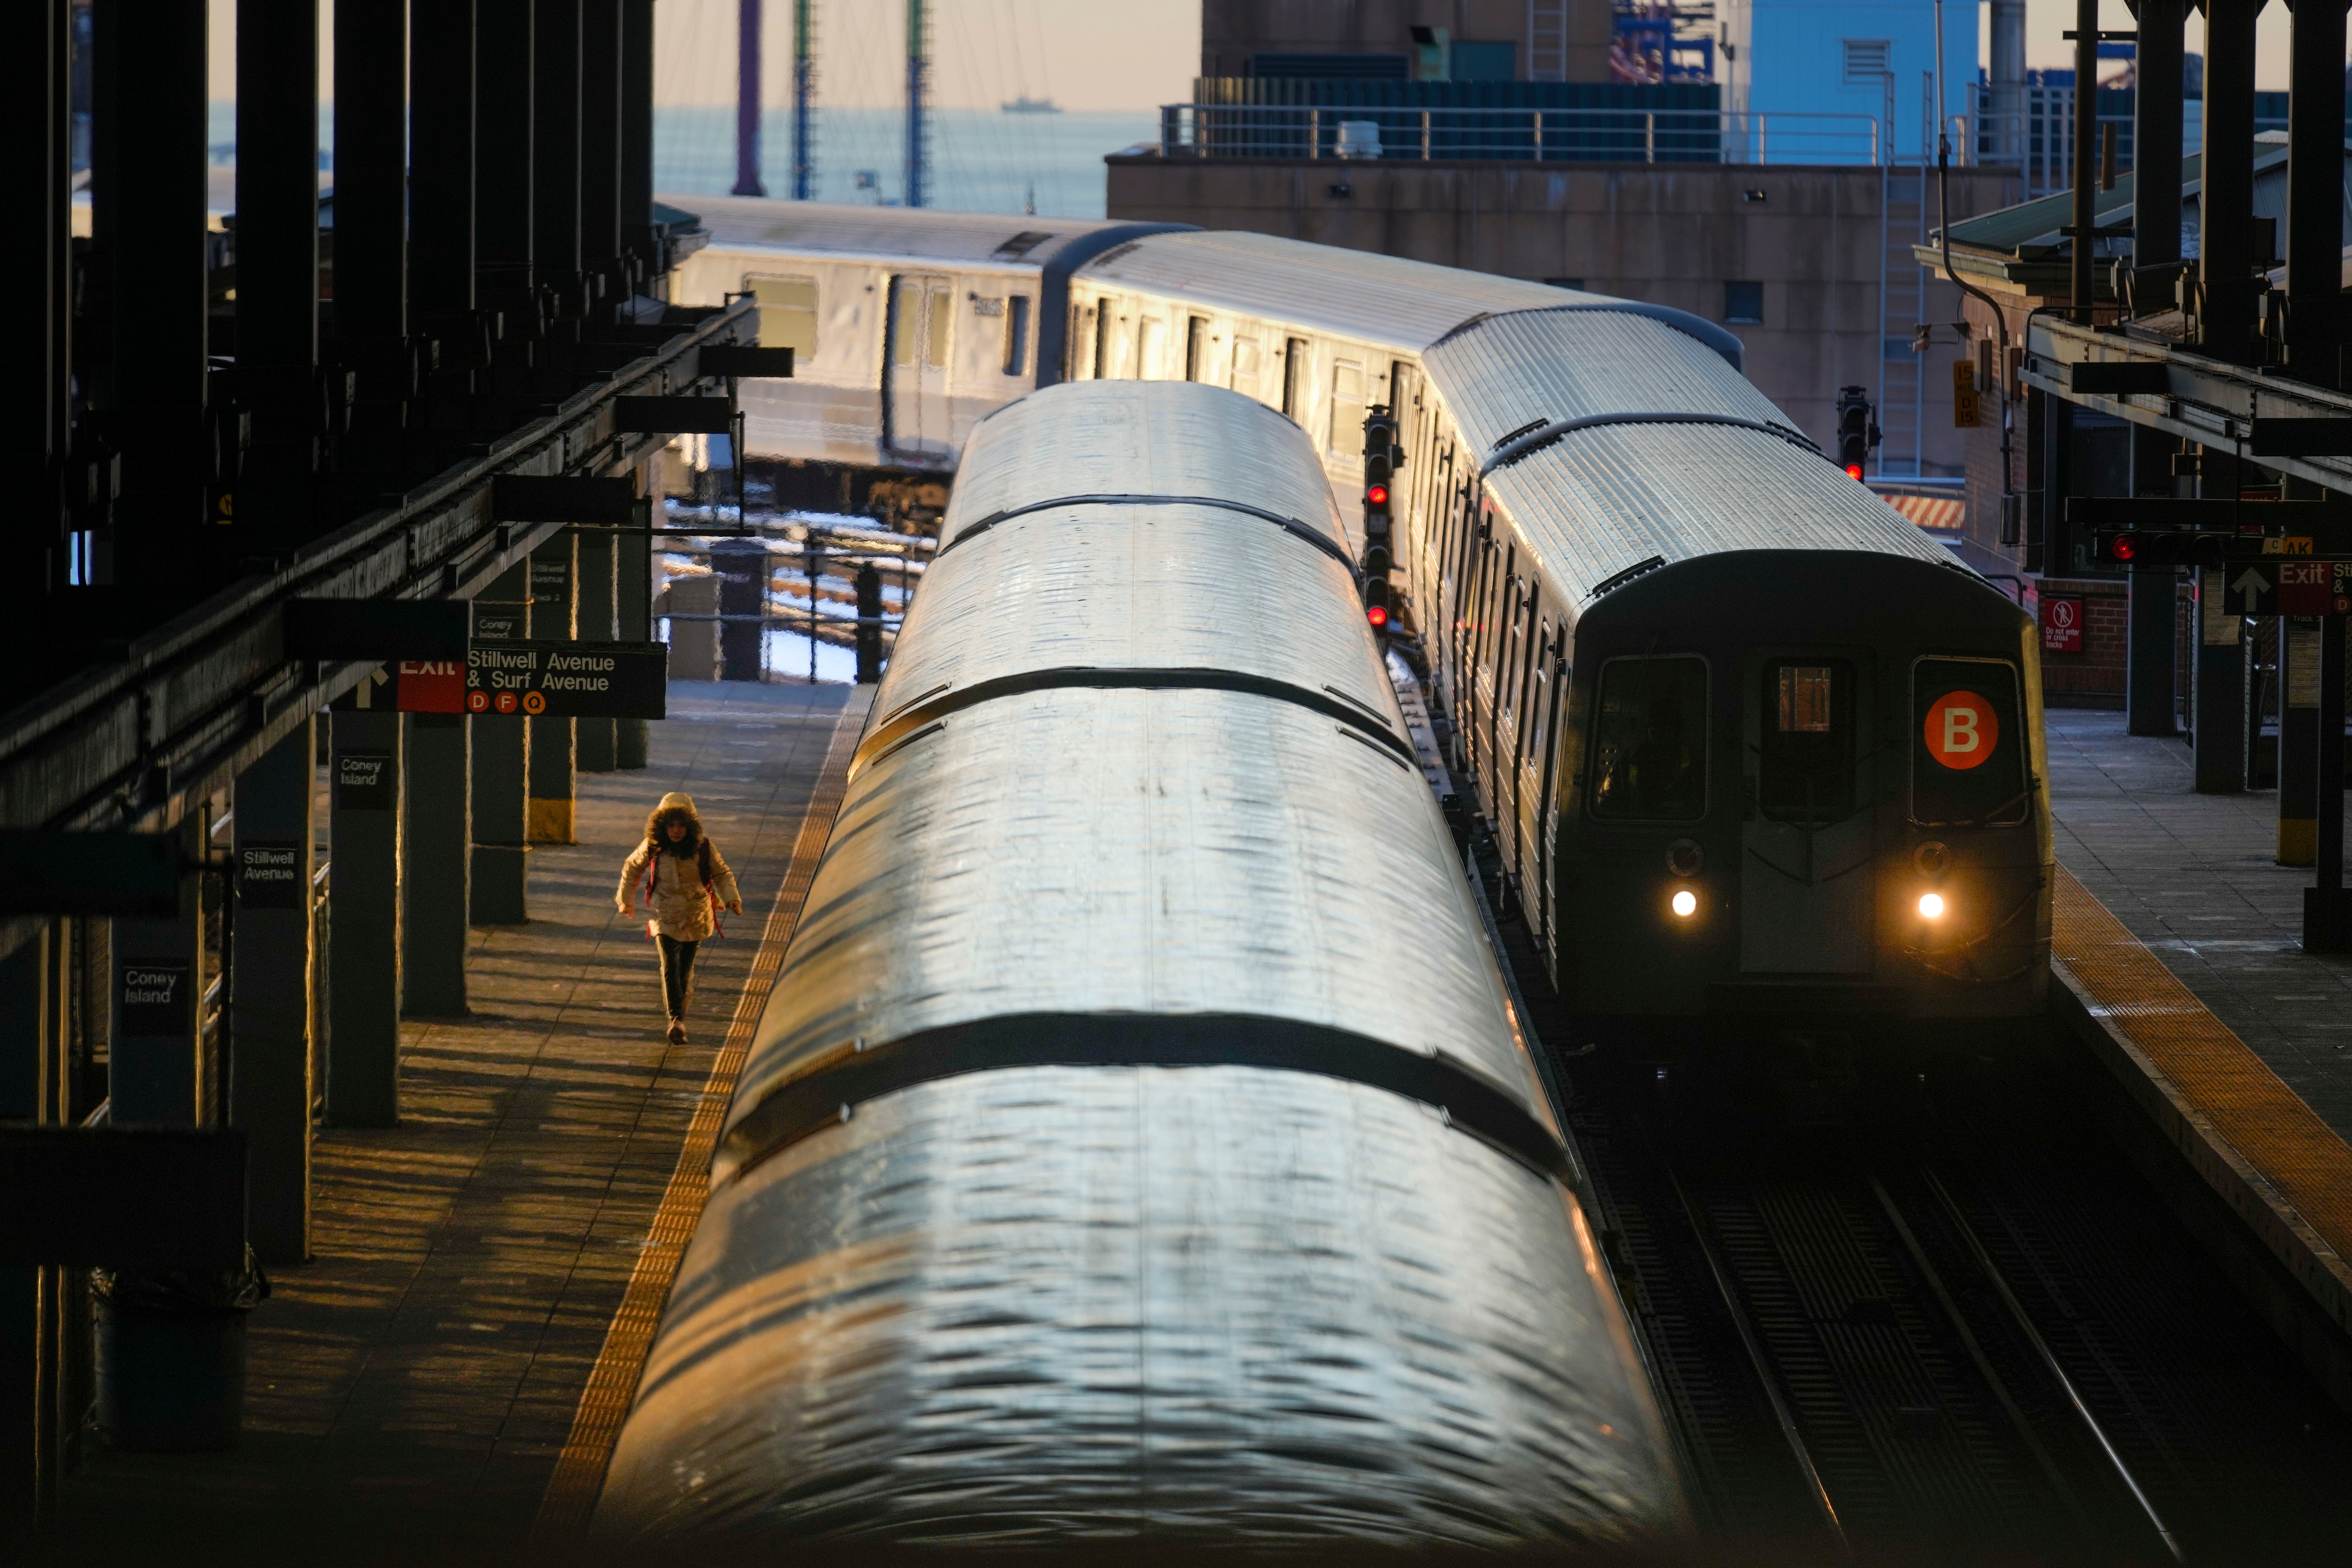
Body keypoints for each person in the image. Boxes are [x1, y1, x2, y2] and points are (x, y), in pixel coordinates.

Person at [616, 792, 743, 1044]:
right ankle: (676, 1019)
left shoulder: (704, 847)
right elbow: (632, 868)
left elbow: (722, 873)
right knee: (669, 967)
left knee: (685, 969)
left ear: (690, 826)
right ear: (661, 825)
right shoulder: (652, 846)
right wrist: (625, 900)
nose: (675, 831)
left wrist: (732, 898)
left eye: (681, 825)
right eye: (670, 825)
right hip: (665, 915)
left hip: (696, 915)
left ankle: (680, 1012)